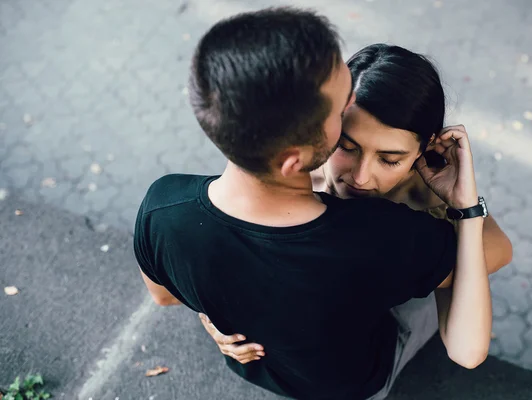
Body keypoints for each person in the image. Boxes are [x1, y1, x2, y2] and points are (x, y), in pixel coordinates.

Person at [134, 8, 494, 400]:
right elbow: (467, 342)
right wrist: (465, 213)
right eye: (341, 118)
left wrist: (213, 312)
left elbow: (165, 294)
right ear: (295, 155)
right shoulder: (395, 240)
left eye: (389, 159)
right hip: (355, 381)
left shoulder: (162, 207)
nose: (361, 177)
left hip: (264, 368)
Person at [200, 44, 513, 376]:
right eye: (346, 147)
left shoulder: (428, 202)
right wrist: (209, 316)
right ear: (328, 121)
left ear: (425, 149)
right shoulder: (285, 160)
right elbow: (217, 230)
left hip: (384, 322)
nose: (361, 177)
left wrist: (464, 208)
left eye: (390, 159)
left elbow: (468, 349)